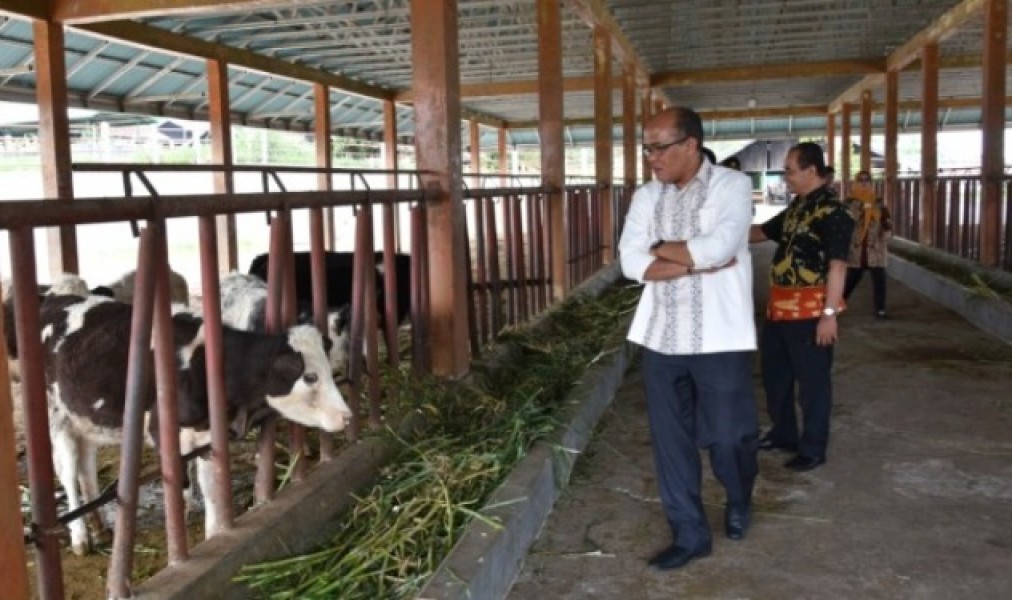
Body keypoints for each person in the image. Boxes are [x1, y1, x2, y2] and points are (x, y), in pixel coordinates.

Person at [619, 107, 758, 571]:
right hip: (660, 337)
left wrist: (660, 248)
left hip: (720, 337)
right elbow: (629, 262)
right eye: (646, 148)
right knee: (670, 441)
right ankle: (690, 534)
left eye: (660, 147)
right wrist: (690, 258)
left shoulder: (731, 187)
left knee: (728, 435)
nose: (651, 158)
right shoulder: (645, 196)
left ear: (691, 145)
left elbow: (720, 246)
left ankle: (739, 497)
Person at [749, 142, 854, 472]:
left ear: (812, 171)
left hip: (810, 313)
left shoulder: (834, 213)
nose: (786, 177)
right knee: (775, 376)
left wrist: (829, 316)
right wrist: (716, 235)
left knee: (813, 384)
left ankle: (813, 448)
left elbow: (838, 267)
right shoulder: (797, 208)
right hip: (779, 311)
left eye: (790, 170)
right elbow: (761, 233)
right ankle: (783, 434)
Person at [842, 170, 892, 318]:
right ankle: (837, 304)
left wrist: (887, 229)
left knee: (879, 280)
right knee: (852, 279)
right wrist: (860, 209)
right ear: (856, 182)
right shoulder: (849, 202)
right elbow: (846, 222)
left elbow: (886, 218)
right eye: (861, 180)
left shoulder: (878, 201)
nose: (864, 182)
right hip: (858, 247)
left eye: (867, 180)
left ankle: (880, 310)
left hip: (875, 247)